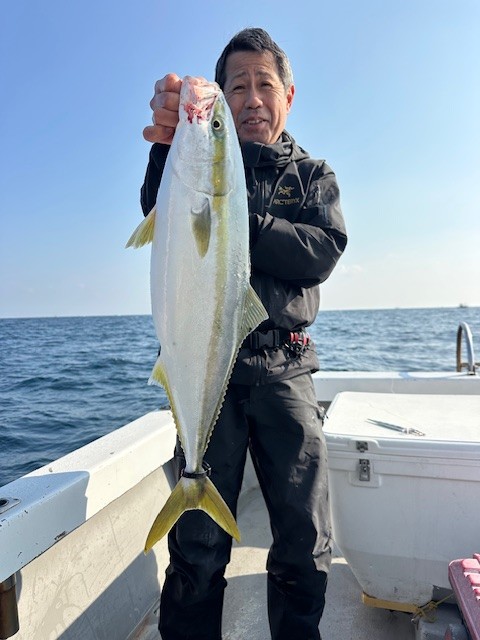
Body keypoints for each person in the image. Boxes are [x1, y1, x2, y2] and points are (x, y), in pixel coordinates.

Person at [141, 27, 347, 640]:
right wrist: (169, 144)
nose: (251, 98)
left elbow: (321, 250)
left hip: (287, 370)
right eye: (236, 87)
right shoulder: (198, 161)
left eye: (264, 84)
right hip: (213, 375)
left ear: (288, 95)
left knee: (305, 543)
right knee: (198, 552)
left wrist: (237, 217)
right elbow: (159, 207)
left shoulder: (312, 175)